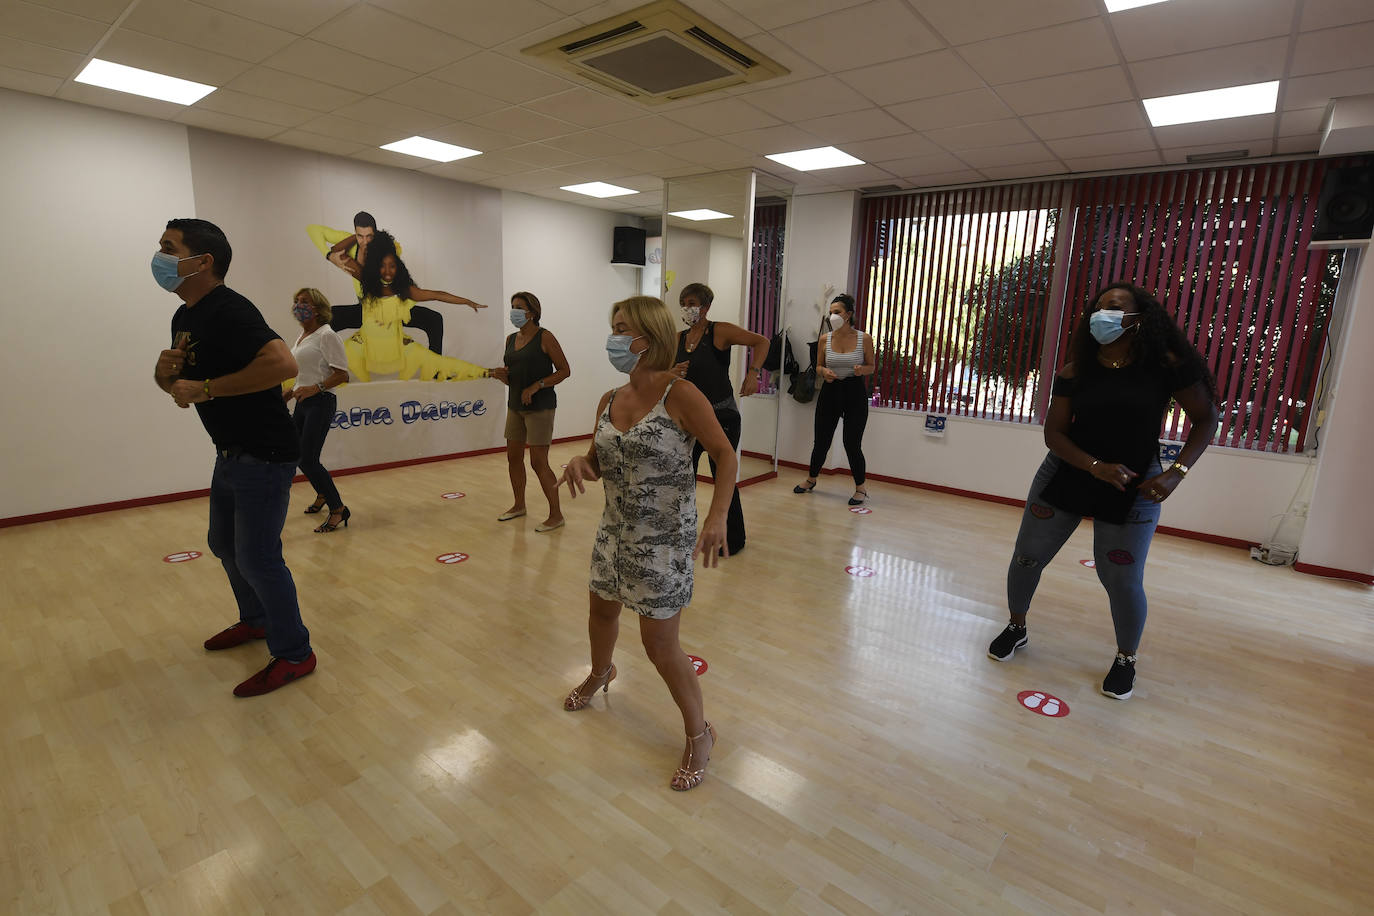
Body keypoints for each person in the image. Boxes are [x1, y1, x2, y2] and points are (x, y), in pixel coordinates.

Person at [987, 282, 1219, 700]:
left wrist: (1176, 472)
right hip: (1069, 472)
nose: (1102, 313)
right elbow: (1055, 435)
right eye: (1098, 307)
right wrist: (1095, 466)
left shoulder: (1166, 366)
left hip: (1134, 482)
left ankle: (1126, 658)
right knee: (1026, 557)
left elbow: (1206, 418)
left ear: (1138, 317)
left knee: (1121, 578)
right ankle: (1016, 627)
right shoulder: (1076, 371)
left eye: (1114, 306)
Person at [559, 296, 738, 791]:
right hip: (614, 531)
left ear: (650, 338)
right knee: (600, 611)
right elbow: (598, 461)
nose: (615, 339)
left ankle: (701, 733)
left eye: (624, 330)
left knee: (660, 645)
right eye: (613, 328)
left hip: (663, 540)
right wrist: (580, 463)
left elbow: (724, 455)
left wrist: (718, 515)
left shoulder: (681, 395)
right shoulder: (609, 399)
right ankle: (601, 672)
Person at [152, 218, 316, 697]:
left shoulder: (229, 308)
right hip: (230, 453)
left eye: (169, 248)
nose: (159, 257)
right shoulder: (185, 317)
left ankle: (295, 653)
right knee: (224, 543)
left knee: (259, 557)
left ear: (202, 261)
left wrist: (205, 388)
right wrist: (165, 376)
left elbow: (282, 364)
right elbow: (182, 390)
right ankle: (258, 620)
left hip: (264, 453)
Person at [673, 282, 769, 555]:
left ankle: (732, 539)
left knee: (722, 477)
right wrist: (672, 371)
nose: (688, 308)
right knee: (683, 478)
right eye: (684, 302)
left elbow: (761, 342)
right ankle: (684, 532)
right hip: (688, 421)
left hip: (721, 416)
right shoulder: (678, 338)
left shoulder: (719, 331)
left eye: (693, 303)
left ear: (706, 306)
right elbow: (662, 372)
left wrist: (754, 372)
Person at [345, 231, 489, 382]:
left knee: (434, 322)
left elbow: (437, 294)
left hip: (395, 329)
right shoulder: (366, 278)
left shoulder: (404, 289)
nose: (387, 270)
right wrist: (357, 238)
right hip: (368, 329)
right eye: (382, 265)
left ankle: (437, 369)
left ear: (397, 267)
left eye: (392, 266)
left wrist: (466, 301)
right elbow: (338, 253)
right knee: (334, 319)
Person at [488, 292, 571, 531]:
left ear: (532, 312)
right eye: (512, 306)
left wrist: (537, 385)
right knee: (513, 458)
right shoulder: (510, 339)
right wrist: (503, 377)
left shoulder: (545, 337)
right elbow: (513, 377)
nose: (513, 311)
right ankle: (518, 505)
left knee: (538, 462)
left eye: (519, 307)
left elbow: (564, 370)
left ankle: (556, 515)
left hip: (540, 407)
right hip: (515, 406)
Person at [306, 211, 445, 352]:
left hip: (392, 308)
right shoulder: (351, 242)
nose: (365, 241)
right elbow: (313, 229)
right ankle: (328, 367)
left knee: (434, 319)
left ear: (376, 233)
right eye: (360, 236)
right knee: (327, 318)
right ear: (355, 233)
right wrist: (329, 255)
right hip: (366, 309)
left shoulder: (388, 247)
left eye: (369, 236)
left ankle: (437, 370)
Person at [793, 293, 876, 505]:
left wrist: (861, 370)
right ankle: (811, 479)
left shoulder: (863, 338)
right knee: (821, 441)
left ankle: (861, 489)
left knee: (852, 443)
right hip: (831, 391)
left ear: (848, 315)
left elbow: (872, 366)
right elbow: (819, 365)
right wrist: (823, 372)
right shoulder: (824, 339)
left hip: (854, 392)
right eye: (830, 313)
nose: (832, 316)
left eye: (837, 312)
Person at [284, 288, 350, 533]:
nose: (298, 306)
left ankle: (338, 509)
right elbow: (305, 374)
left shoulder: (326, 335)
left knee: (309, 458)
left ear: (317, 308)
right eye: (296, 301)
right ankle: (322, 494)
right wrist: (290, 393)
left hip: (321, 403)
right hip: (303, 402)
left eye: (304, 302)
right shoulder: (302, 336)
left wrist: (316, 388)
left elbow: (342, 375)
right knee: (297, 455)